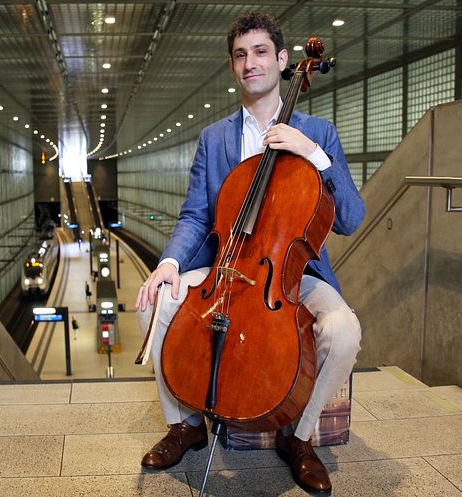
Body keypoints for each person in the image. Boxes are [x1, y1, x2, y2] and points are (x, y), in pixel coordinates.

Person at [135, 12, 365, 495]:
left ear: (283, 61)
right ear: (232, 66)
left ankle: (299, 439)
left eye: (260, 52)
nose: (250, 63)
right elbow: (197, 215)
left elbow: (350, 218)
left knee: (344, 331)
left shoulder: (319, 133)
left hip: (290, 271)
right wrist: (169, 264)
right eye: (240, 55)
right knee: (157, 306)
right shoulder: (214, 138)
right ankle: (186, 425)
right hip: (227, 266)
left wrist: (313, 156)